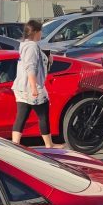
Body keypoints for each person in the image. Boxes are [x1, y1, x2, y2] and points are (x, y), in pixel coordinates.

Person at [11, 19, 60, 148]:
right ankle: (49, 144)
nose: (41, 34)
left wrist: (47, 59)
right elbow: (30, 67)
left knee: (21, 116)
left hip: (21, 87)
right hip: (32, 87)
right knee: (43, 115)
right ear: (36, 32)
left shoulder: (24, 45)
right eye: (40, 31)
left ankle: (15, 145)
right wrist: (34, 87)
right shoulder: (32, 46)